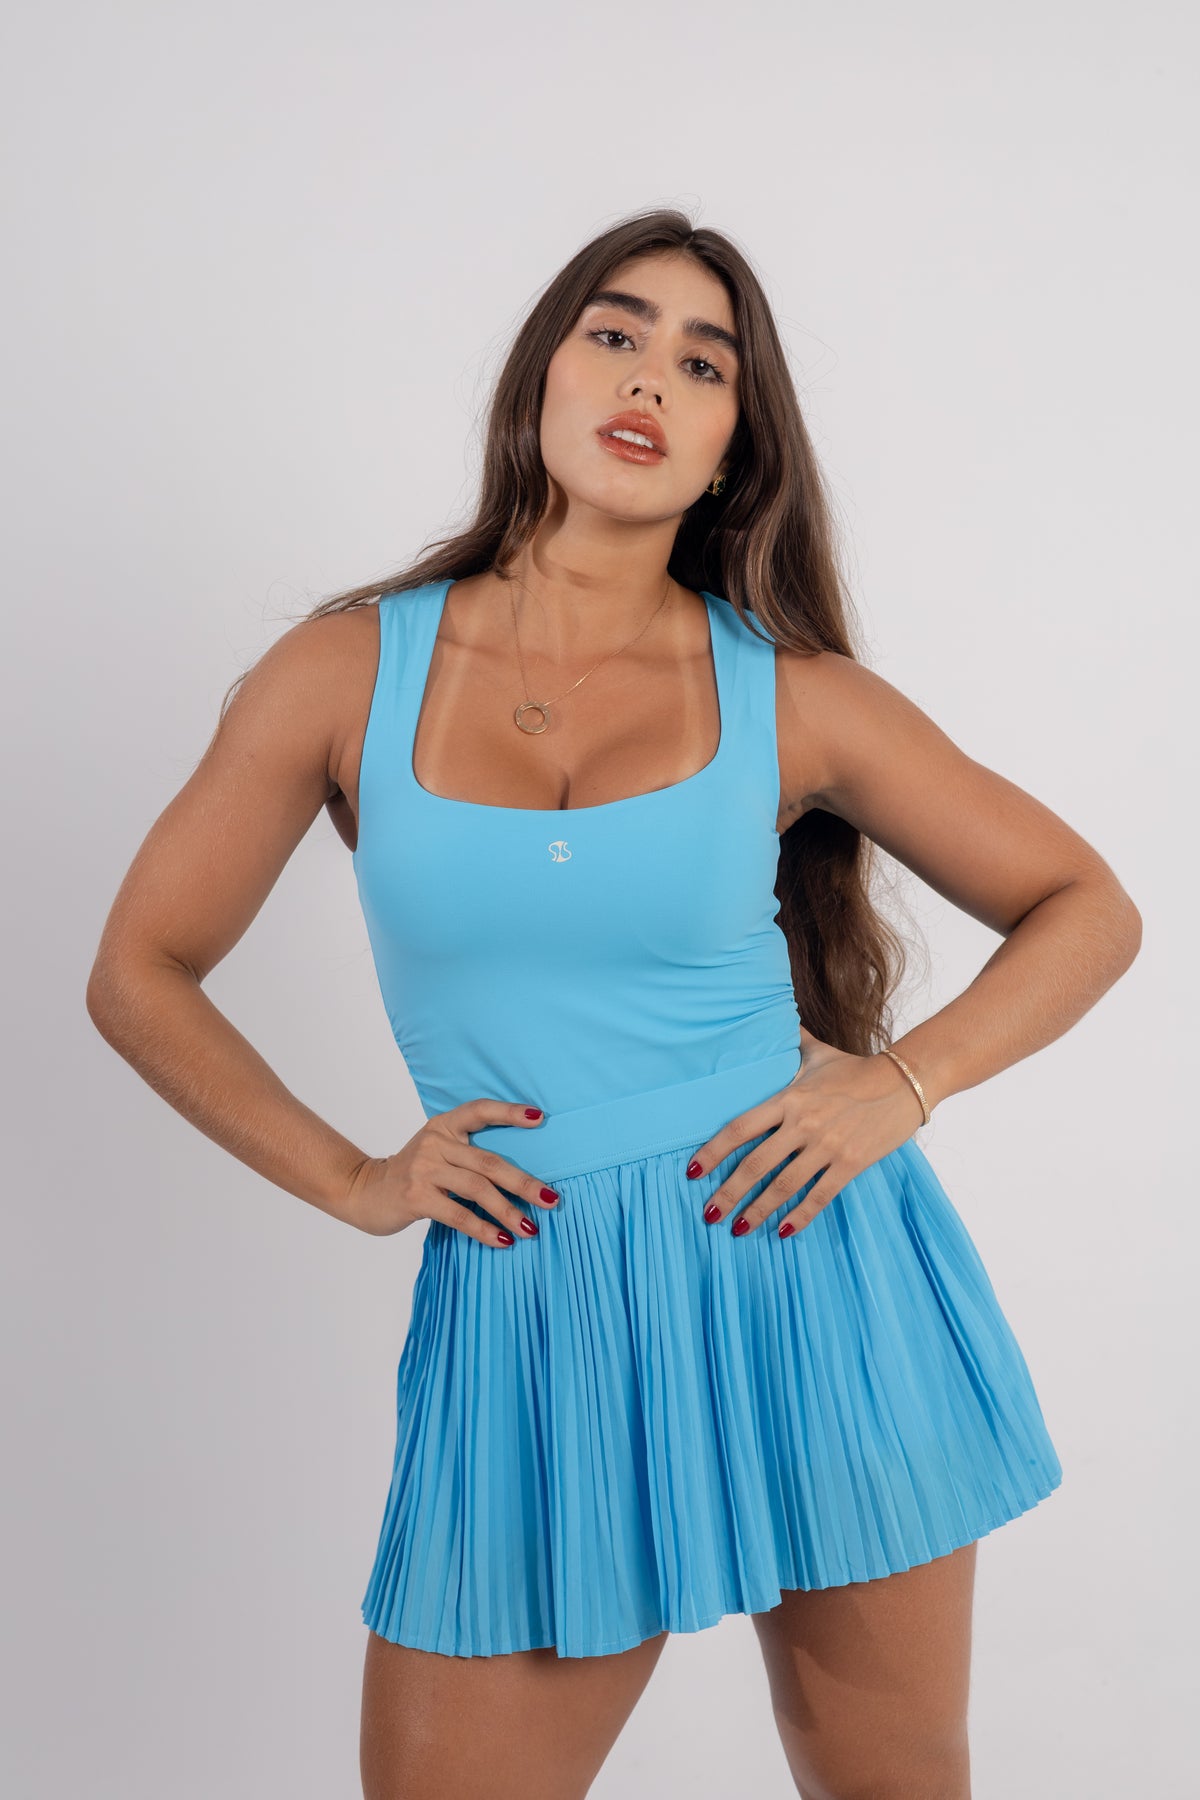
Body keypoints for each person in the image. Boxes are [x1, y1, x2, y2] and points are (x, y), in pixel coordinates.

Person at [86, 207, 1142, 1800]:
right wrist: (355, 1179)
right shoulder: (343, 672)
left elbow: (1088, 906)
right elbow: (139, 969)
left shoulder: (794, 696)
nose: (652, 376)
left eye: (704, 364)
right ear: (542, 377)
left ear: (731, 452)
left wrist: (899, 1084)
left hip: (813, 1273)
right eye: (617, 332)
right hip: (534, 1313)